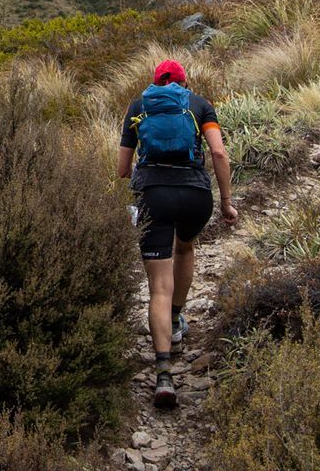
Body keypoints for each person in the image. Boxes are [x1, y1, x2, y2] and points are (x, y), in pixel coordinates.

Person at [116, 57, 235, 409]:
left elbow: (122, 169)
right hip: (196, 195)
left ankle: (164, 374)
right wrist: (226, 201)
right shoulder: (199, 104)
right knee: (185, 247)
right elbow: (218, 152)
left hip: (154, 195)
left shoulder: (138, 107)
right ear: (184, 83)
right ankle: (178, 319)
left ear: (155, 83)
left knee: (158, 288)